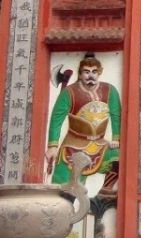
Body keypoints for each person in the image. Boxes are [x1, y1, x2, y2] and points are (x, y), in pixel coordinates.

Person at [45, 52, 120, 195]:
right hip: (74, 145)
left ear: (99, 73)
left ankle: (105, 192)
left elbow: (117, 116)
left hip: (100, 144)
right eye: (86, 72)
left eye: (94, 72)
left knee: (119, 157)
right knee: (64, 188)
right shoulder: (69, 92)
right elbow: (56, 119)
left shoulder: (110, 90)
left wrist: (116, 138)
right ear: (80, 74)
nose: (90, 75)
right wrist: (52, 146)